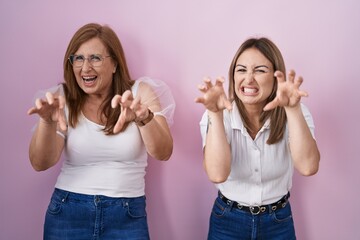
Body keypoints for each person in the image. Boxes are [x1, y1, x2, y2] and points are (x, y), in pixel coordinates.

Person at [27, 23, 175, 240]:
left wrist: (145, 118)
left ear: (114, 63)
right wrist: (48, 124)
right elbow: (40, 163)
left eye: (95, 58)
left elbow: (164, 152)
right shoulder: (61, 98)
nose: (85, 68)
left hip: (126, 215)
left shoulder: (139, 93)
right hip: (68, 212)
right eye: (78, 58)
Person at [195, 37, 320, 239]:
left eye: (260, 70)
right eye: (241, 70)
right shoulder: (219, 114)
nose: (249, 79)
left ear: (275, 76)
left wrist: (293, 109)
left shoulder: (296, 112)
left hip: (278, 221)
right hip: (227, 220)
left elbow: (308, 167)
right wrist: (215, 116)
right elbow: (217, 175)